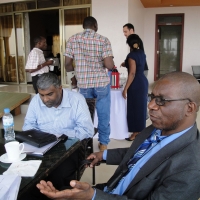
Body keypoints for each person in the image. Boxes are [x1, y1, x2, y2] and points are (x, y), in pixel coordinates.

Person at [37, 71, 200, 200]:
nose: (150, 106)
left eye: (162, 100)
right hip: (111, 189)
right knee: (49, 192)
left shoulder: (191, 167)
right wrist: (103, 155)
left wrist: (93, 196)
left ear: (190, 108)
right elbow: (139, 154)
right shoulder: (159, 128)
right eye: (152, 97)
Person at [21, 73, 93, 199]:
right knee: (28, 177)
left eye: (49, 94)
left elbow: (86, 131)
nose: (45, 100)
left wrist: (57, 136)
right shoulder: (36, 101)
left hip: (67, 147)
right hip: (40, 146)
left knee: (60, 179)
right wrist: (43, 137)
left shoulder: (76, 100)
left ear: (60, 88)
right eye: (41, 95)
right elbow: (27, 126)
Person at [64, 16, 115, 151]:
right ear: (95, 25)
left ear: (84, 26)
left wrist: (73, 77)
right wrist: (111, 63)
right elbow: (109, 65)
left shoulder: (73, 39)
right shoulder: (103, 40)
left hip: (84, 85)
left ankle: (86, 145)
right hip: (101, 84)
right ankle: (103, 144)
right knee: (103, 115)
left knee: (85, 116)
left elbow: (67, 64)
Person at [122, 34, 148, 141]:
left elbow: (132, 73)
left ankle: (135, 133)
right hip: (143, 82)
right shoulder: (142, 53)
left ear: (130, 44)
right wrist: (125, 64)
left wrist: (125, 89)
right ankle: (140, 132)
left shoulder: (131, 55)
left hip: (136, 83)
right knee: (140, 108)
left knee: (134, 108)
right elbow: (138, 65)